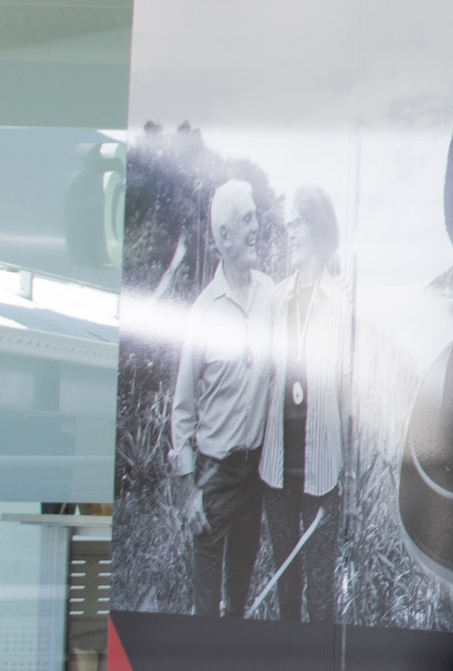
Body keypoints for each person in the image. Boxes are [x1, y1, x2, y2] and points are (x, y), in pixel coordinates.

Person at [169, 179, 276, 618]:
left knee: (237, 598)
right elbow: (182, 412)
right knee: (205, 606)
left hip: (254, 473)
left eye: (256, 216)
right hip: (213, 475)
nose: (257, 227)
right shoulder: (203, 312)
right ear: (224, 237)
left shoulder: (271, 294)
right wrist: (187, 491)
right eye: (247, 219)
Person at [256, 184, 347, 622]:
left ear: (317, 228)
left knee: (322, 595)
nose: (289, 232)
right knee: (286, 591)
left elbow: (349, 388)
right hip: (276, 470)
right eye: (287, 223)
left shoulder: (341, 303)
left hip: (322, 472)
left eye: (297, 223)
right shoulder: (275, 298)